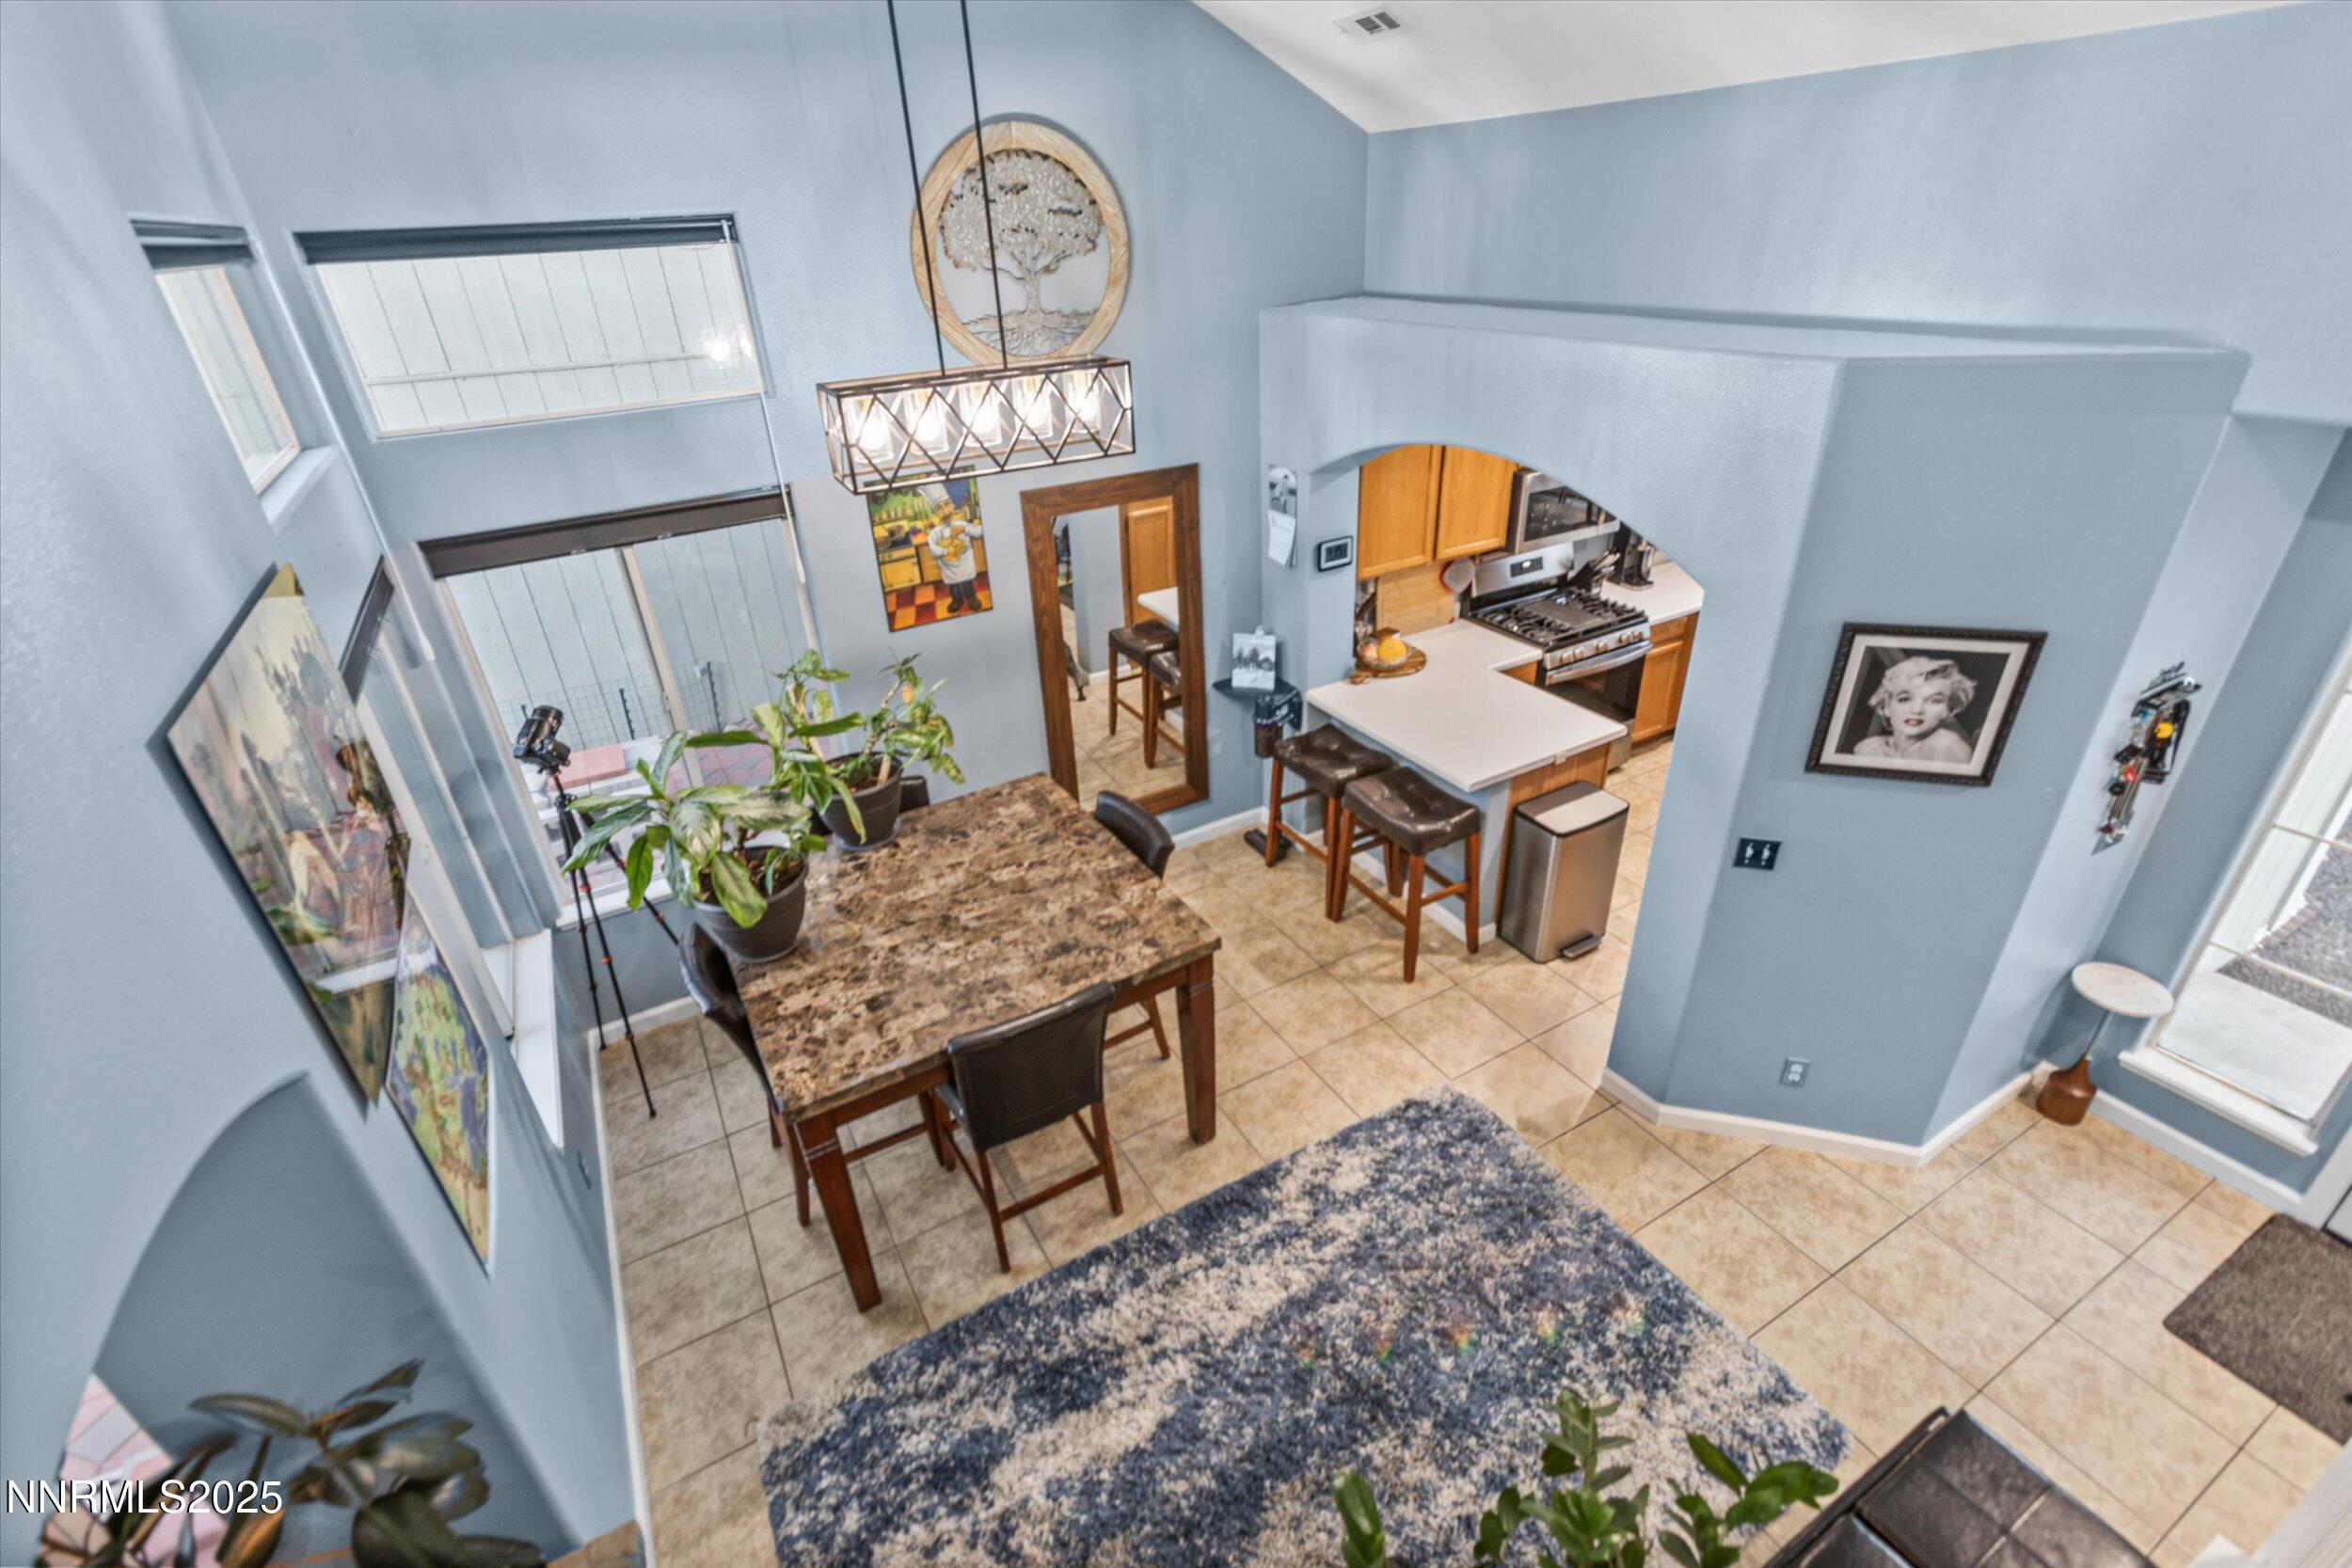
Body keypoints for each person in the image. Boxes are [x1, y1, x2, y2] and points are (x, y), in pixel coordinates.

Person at [1854, 655, 1977, 762]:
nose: (1917, 710)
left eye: (1934, 701)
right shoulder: (1867, 748)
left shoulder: (1949, 746)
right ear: (1887, 706)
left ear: (1947, 710)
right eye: (1905, 699)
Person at [925, 500, 983, 615]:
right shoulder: (935, 532)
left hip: (965, 562)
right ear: (935, 513)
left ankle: (971, 598)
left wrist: (964, 529)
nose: (945, 511)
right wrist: (946, 550)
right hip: (948, 565)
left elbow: (979, 531)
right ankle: (957, 600)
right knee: (954, 585)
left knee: (968, 582)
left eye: (946, 505)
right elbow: (933, 550)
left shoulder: (962, 524)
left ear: (953, 505)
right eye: (939, 508)